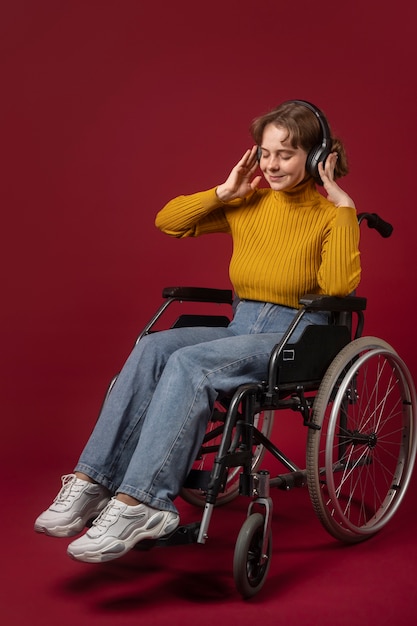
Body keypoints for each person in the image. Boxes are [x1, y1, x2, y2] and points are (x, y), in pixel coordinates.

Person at [34, 99, 361, 563]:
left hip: (295, 335)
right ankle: (94, 481)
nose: (270, 164)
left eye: (285, 154)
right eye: (265, 152)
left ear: (315, 157)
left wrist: (344, 207)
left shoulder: (330, 216)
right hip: (242, 325)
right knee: (153, 347)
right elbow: (168, 221)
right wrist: (223, 193)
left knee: (191, 361)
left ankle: (143, 502)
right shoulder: (248, 202)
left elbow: (339, 287)